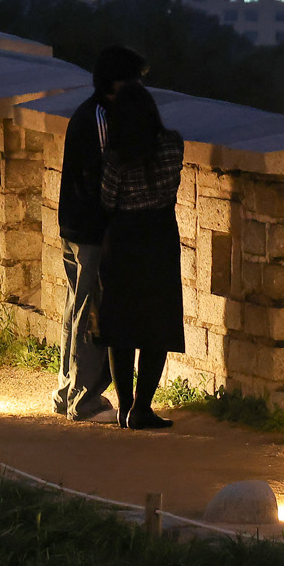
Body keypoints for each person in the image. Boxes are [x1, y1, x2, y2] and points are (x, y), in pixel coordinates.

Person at [53, 45, 147, 422]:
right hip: (93, 230)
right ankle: (84, 397)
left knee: (77, 306)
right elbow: (107, 176)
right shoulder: (101, 117)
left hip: (78, 226)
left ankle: (68, 391)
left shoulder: (89, 113)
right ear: (117, 83)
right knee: (92, 311)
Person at [96, 83, 186, 430]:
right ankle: (143, 407)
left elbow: (108, 199)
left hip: (122, 239)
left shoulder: (115, 156)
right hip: (160, 236)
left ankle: (123, 406)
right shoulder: (172, 144)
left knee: (120, 324)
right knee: (156, 324)